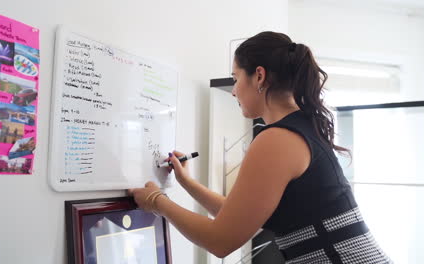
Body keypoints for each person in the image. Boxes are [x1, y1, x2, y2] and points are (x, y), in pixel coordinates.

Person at [129, 31, 391, 263]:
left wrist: (157, 202)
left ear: (259, 76)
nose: (233, 91)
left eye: (235, 78)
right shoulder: (300, 127)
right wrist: (186, 182)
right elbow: (236, 216)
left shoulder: (277, 139)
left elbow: (220, 241)